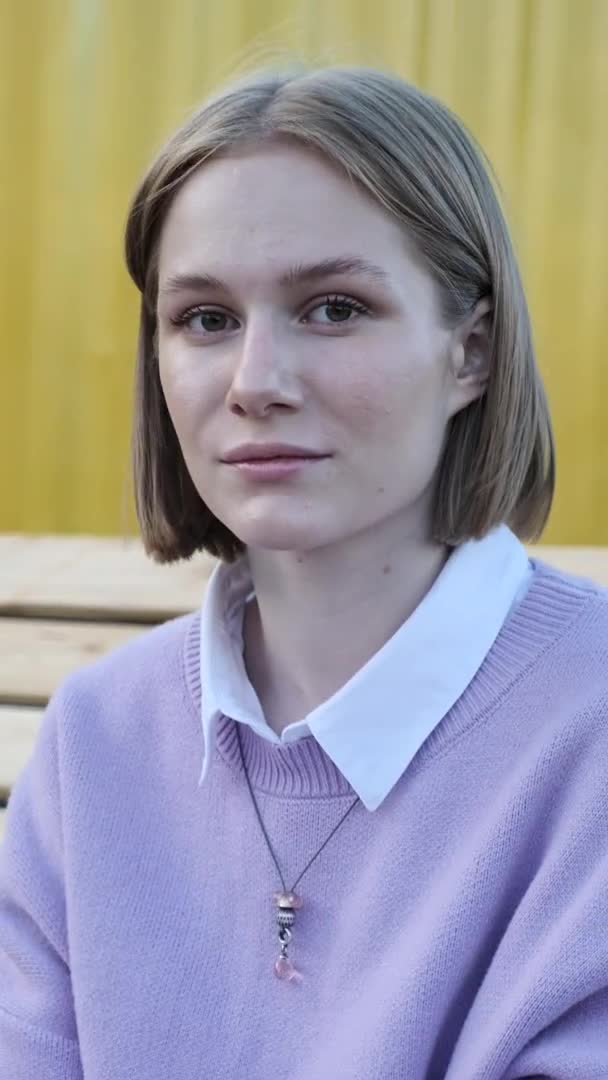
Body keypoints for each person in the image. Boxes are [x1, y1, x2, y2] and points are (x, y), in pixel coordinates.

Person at [1, 63, 607, 1080]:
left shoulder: (587, 735)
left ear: (472, 352)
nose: (255, 383)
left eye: (332, 308)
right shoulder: (93, 742)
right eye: (204, 318)